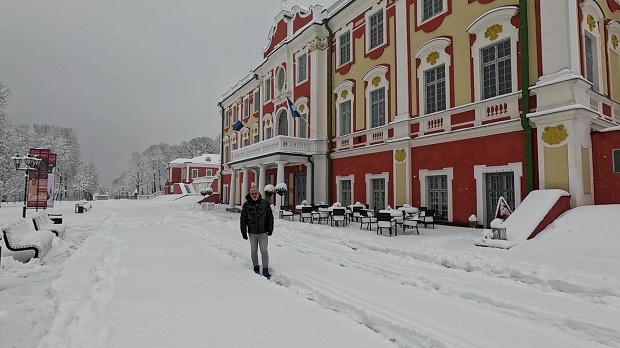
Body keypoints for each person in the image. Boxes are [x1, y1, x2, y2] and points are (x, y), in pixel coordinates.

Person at [240, 187, 274, 279]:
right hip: (252, 232)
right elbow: (243, 219)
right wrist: (243, 231)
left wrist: (270, 229)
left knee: (264, 251)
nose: (254, 195)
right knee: (253, 251)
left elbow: (270, 216)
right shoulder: (246, 205)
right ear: (250, 194)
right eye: (252, 194)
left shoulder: (265, 203)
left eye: (256, 193)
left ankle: (265, 269)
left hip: (263, 232)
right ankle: (256, 267)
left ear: (259, 193)